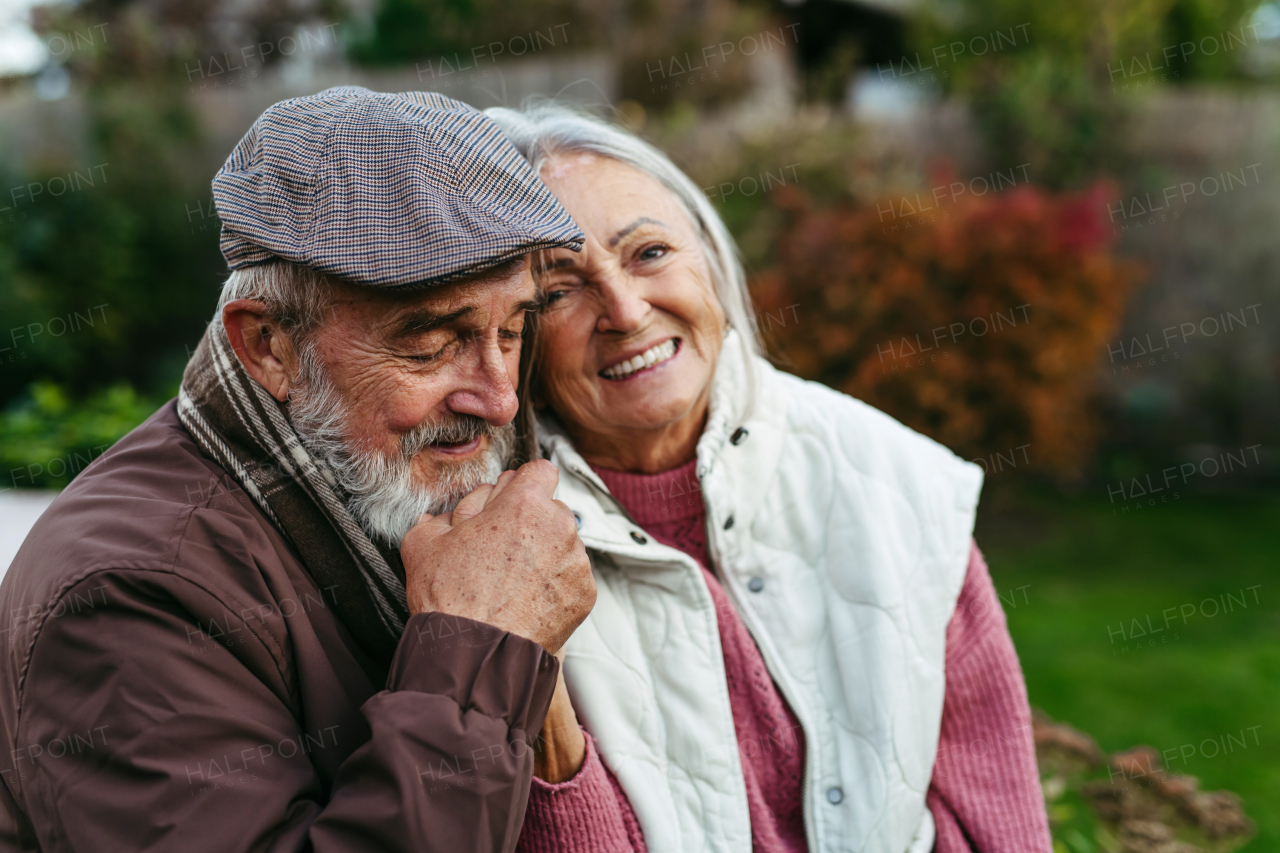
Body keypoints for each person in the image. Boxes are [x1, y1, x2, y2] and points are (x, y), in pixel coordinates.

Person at [0, 87, 598, 853]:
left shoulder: (410, 477)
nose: (501, 398)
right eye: (431, 343)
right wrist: (480, 647)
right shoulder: (124, 594)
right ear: (269, 346)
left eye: (513, 331)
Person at [485, 103, 1055, 853]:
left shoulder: (895, 478)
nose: (625, 310)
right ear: (511, 339)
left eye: (649, 252)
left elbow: (997, 819)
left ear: (711, 261)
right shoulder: (496, 556)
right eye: (559, 291)